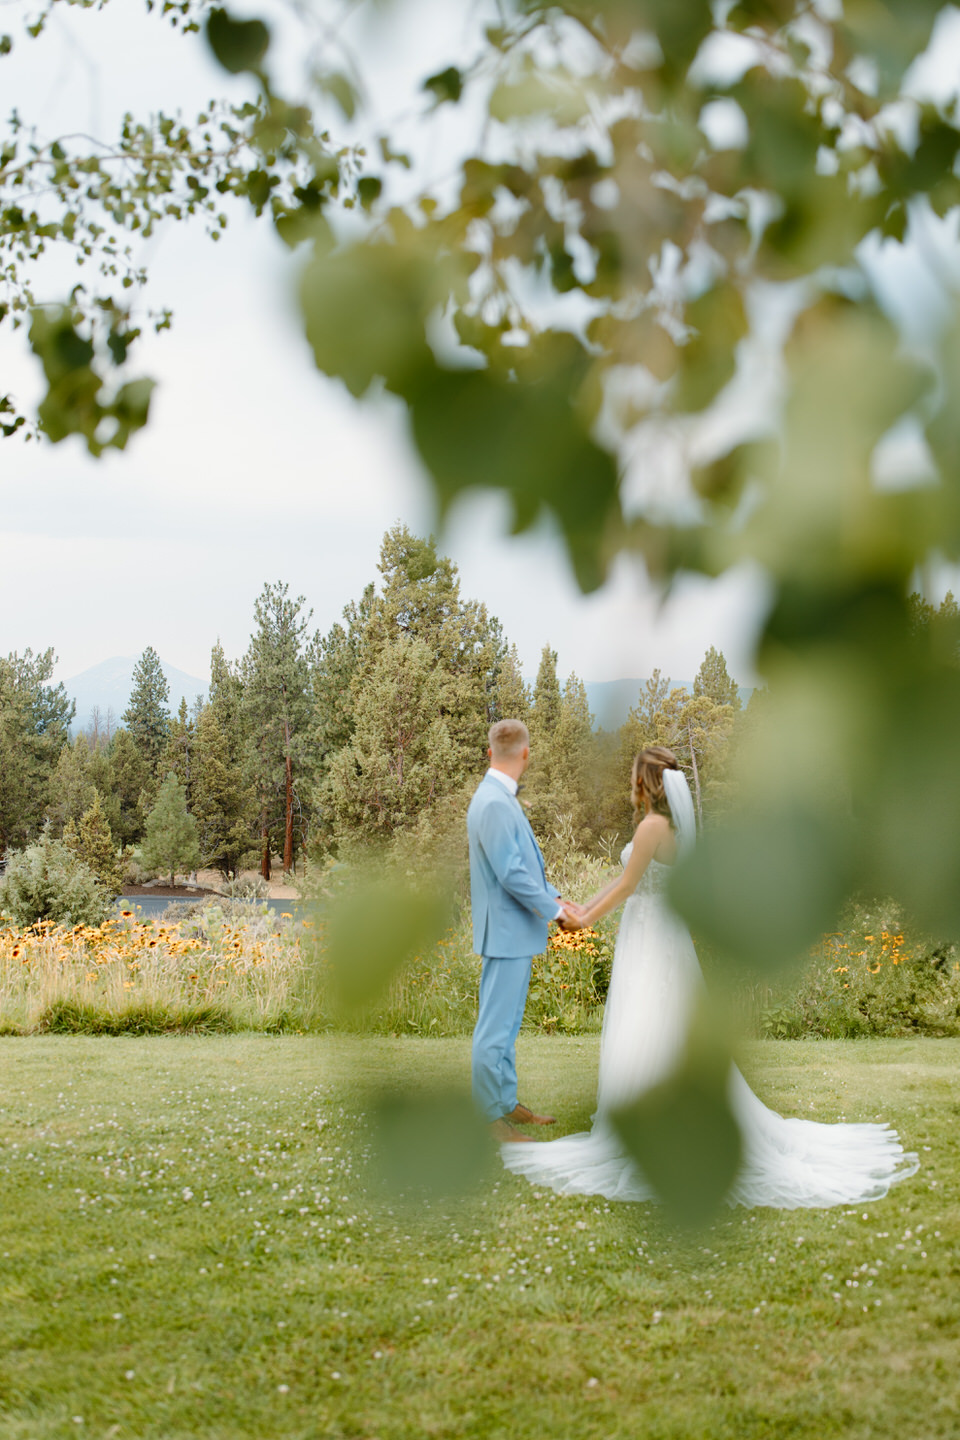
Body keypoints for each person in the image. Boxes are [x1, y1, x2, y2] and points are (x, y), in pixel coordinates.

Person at [502, 746, 919, 1207]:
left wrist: (582, 921)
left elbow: (626, 886)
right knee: (666, 1020)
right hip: (660, 933)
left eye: (634, 777)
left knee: (646, 1020)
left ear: (648, 782)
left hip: (648, 939)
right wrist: (581, 906)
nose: (630, 784)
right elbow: (629, 880)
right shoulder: (671, 828)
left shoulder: (651, 827)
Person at [468, 718, 582, 1143]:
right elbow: (513, 873)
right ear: (526, 753)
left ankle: (506, 1103)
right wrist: (554, 912)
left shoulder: (498, 797)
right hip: (505, 930)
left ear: (489, 751)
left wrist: (557, 899)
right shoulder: (496, 803)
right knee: (494, 1028)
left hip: (512, 929)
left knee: (508, 1024)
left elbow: (525, 867)